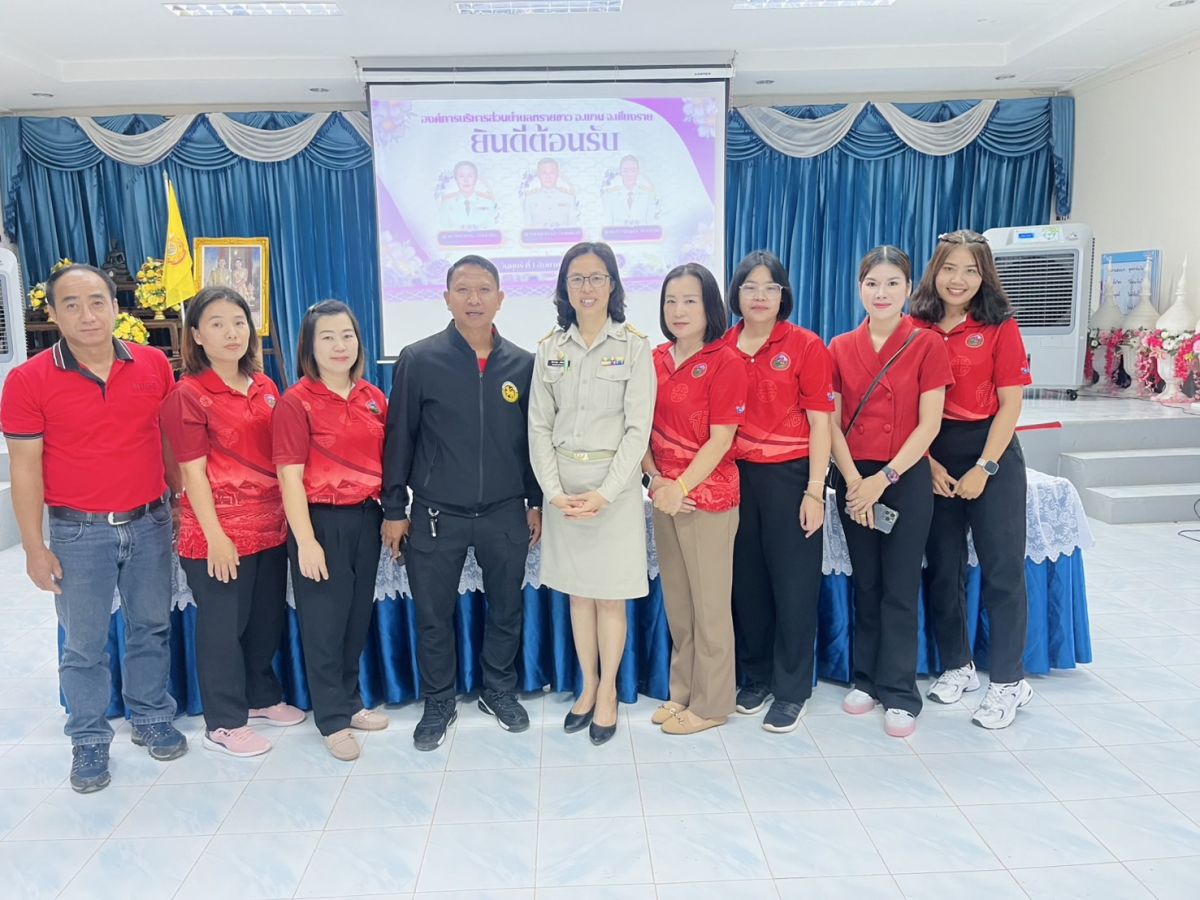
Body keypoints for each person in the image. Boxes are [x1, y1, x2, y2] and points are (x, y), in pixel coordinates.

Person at [1, 264, 187, 793]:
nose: (87, 315)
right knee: (84, 643)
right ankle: (88, 738)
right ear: (53, 314)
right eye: (72, 305)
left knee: (150, 626)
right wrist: (34, 547)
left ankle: (150, 715)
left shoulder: (152, 364)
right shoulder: (28, 380)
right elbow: (25, 469)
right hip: (79, 533)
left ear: (115, 307)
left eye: (97, 302)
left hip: (149, 522)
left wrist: (176, 499)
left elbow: (167, 440)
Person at [382, 255, 544, 752]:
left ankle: (498, 690)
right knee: (433, 615)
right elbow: (399, 438)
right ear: (446, 298)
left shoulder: (523, 364)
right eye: (464, 290)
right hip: (436, 514)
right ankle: (439, 701)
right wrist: (394, 509)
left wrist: (535, 501)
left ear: (501, 298)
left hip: (504, 511)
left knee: (507, 609)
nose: (474, 299)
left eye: (484, 289)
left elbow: (533, 442)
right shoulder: (419, 359)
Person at [160, 287, 305, 758]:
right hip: (219, 535)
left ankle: (260, 697)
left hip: (270, 528)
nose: (231, 333)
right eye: (217, 324)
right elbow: (192, 473)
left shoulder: (266, 387)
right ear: (197, 335)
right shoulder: (188, 394)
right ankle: (223, 722)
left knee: (264, 621)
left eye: (239, 322)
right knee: (224, 628)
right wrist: (216, 538)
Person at [528, 241, 655, 746]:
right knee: (579, 596)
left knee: (610, 599)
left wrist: (605, 493)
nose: (587, 287)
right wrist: (553, 493)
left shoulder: (635, 346)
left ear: (612, 284)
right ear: (565, 287)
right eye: (576, 278)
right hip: (564, 490)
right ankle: (587, 684)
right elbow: (539, 426)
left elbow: (638, 430)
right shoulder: (549, 348)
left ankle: (608, 693)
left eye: (596, 277)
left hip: (614, 491)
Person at [828, 246, 954, 738]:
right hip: (854, 479)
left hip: (903, 478)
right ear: (859, 288)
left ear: (908, 289)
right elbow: (832, 422)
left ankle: (900, 691)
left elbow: (930, 425)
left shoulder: (927, 344)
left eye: (892, 283)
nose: (881, 293)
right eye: (872, 283)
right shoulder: (839, 346)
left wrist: (883, 479)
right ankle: (866, 678)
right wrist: (854, 482)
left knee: (900, 586)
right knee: (867, 583)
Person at [911, 230, 1035, 729]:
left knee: (1003, 571)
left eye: (970, 270)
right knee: (944, 568)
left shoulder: (1000, 326)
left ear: (984, 276)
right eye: (949, 268)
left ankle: (1008, 682)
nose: (957, 279)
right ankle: (957, 665)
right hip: (932, 452)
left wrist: (985, 467)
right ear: (934, 271)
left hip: (991, 451)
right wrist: (927, 463)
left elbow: (1011, 405)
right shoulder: (916, 325)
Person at [272, 300, 389, 761]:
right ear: (310, 346)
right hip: (319, 520)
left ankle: (350, 701)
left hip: (366, 517)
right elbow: (288, 477)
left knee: (355, 619)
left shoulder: (373, 397)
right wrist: (306, 541)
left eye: (347, 335)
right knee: (324, 624)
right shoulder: (295, 402)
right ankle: (332, 720)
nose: (340, 346)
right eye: (327, 337)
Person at [724, 250, 834, 734]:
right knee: (747, 584)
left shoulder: (806, 345)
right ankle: (757, 677)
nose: (760, 296)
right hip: (736, 478)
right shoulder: (722, 346)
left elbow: (821, 424)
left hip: (792, 478)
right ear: (736, 294)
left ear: (783, 294)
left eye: (770, 287)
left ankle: (792, 690)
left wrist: (814, 491)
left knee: (794, 588)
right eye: (750, 287)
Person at [643, 263, 746, 735]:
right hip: (664, 496)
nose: (678, 310)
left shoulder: (726, 361)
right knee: (680, 607)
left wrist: (680, 487)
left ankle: (713, 703)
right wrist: (656, 482)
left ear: (710, 307)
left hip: (707, 500)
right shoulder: (654, 359)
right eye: (671, 300)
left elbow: (722, 439)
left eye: (690, 300)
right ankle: (682, 692)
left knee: (710, 609)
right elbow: (637, 429)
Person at [438, 160, 499, 231]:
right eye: (461, 176)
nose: (466, 180)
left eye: (470, 176)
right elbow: (443, 228)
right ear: (456, 179)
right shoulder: (447, 203)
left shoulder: (487, 202)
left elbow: (492, 228)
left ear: (476, 179)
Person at [523, 158, 579, 229]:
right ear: (538, 175)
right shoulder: (530, 199)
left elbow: (573, 227)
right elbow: (527, 227)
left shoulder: (569, 198)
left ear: (557, 174)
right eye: (544, 173)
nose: (548, 177)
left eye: (552, 173)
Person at [602, 155, 658, 226]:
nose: (629, 174)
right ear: (620, 172)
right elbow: (608, 224)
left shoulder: (648, 194)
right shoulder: (610, 195)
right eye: (625, 171)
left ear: (638, 172)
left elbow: (651, 224)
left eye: (633, 170)